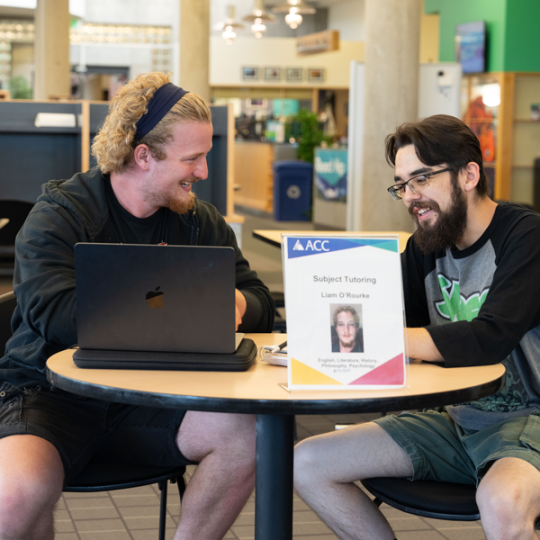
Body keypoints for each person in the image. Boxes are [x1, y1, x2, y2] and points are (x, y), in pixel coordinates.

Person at [0, 72, 274, 540]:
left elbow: (263, 306)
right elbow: (55, 315)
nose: (204, 173)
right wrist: (175, 305)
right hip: (52, 395)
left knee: (247, 435)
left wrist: (234, 303)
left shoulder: (198, 222)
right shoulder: (62, 215)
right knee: (13, 499)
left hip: (157, 400)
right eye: (194, 159)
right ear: (143, 156)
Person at [294, 114, 540, 540]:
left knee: (501, 500)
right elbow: (387, 320)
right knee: (307, 462)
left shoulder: (525, 236)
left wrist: (380, 337)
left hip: (529, 421)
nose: (411, 196)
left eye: (422, 179)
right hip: (455, 421)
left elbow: (490, 337)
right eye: (402, 185)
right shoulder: (425, 247)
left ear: (469, 174)